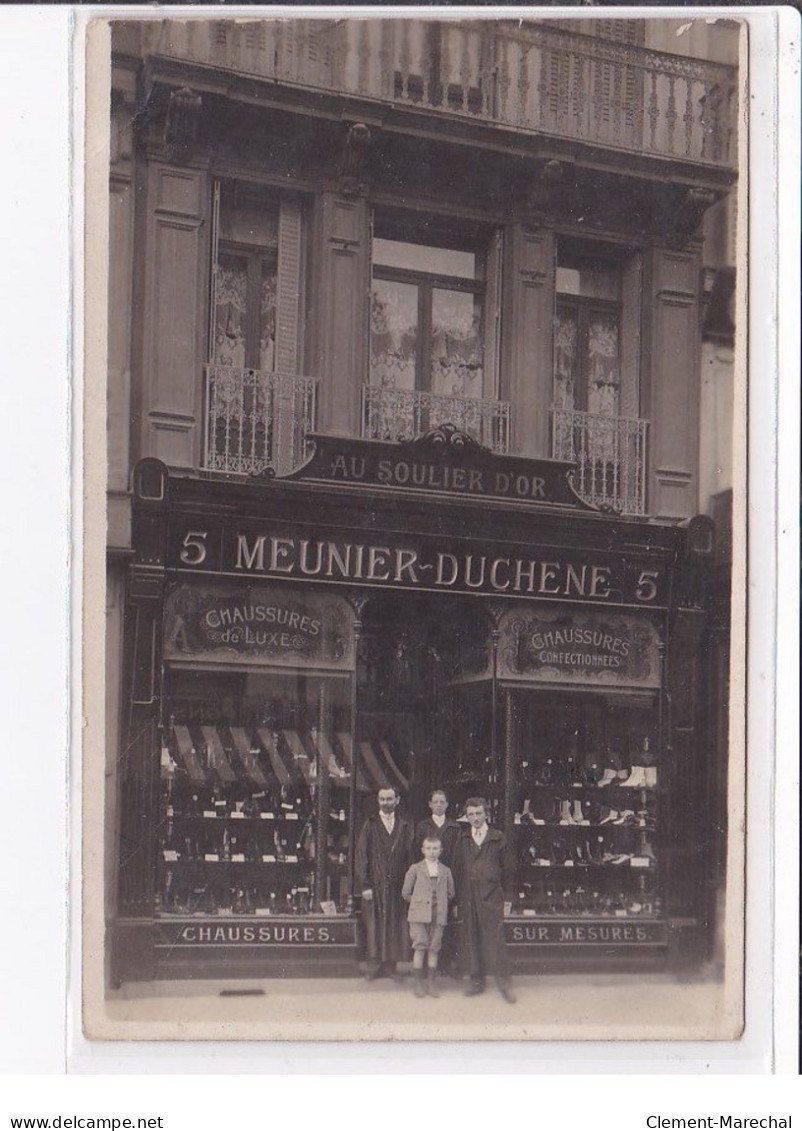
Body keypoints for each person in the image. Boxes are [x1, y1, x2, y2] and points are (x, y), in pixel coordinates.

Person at [453, 797, 517, 1003]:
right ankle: (476, 980)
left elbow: (509, 870)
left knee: (496, 940)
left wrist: (508, 898)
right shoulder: (463, 839)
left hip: (492, 896)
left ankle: (504, 983)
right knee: (471, 939)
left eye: (478, 813)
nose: (475, 818)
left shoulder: (498, 838)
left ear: (486, 814)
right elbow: (457, 870)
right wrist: (456, 900)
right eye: (470, 814)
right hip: (468, 897)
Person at [355, 785, 416, 981]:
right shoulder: (370, 824)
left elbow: (410, 857)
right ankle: (374, 966)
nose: (386, 803)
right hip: (375, 883)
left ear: (397, 800)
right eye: (382, 799)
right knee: (374, 924)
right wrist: (364, 885)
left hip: (398, 885)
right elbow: (361, 856)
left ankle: (391, 965)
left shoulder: (405, 825)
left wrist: (409, 885)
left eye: (389, 799)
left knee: (395, 924)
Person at [401, 835, 456, 998]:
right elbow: (405, 892)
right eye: (429, 848)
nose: (432, 852)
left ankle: (432, 983)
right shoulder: (415, 868)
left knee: (433, 948)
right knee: (420, 947)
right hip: (418, 916)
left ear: (440, 851)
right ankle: (418, 983)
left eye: (435, 849)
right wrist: (420, 903)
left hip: (438, 915)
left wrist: (439, 903)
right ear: (423, 850)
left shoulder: (446, 871)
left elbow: (450, 893)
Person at [415, 788, 461, 867]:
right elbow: (417, 852)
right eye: (435, 802)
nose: (439, 805)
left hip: (449, 870)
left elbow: (457, 854)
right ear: (430, 804)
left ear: (447, 804)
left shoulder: (454, 827)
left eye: (442, 802)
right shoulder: (423, 826)